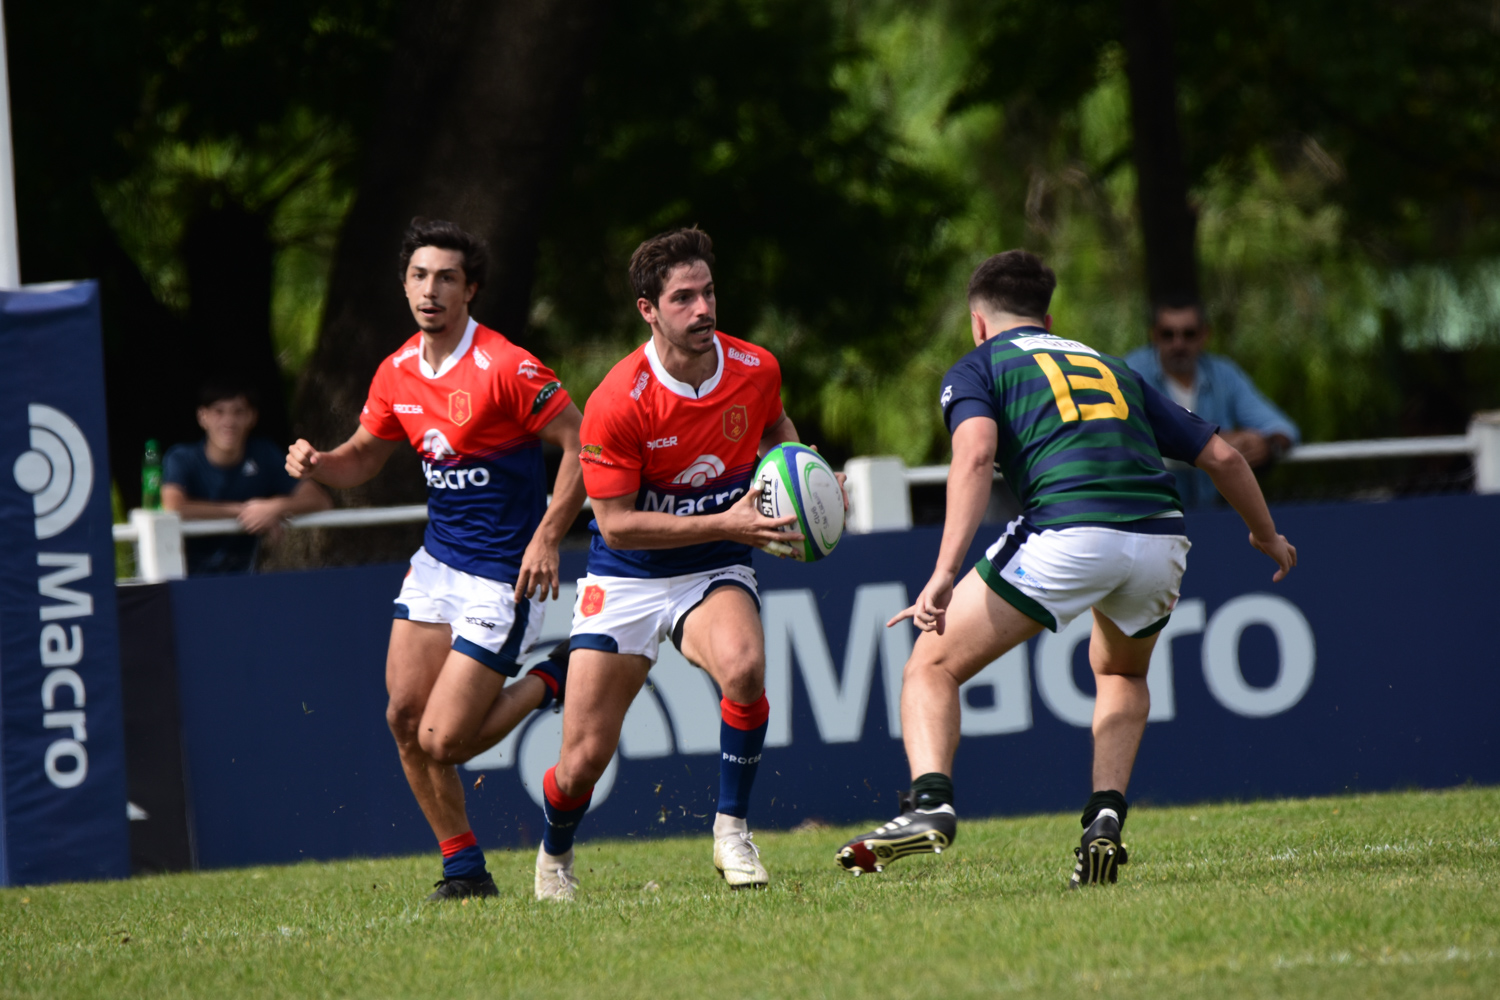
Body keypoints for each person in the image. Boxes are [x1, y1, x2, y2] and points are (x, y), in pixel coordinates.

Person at [836, 251, 1296, 887]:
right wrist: (1265, 534)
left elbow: (974, 458)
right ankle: (1104, 819)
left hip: (1072, 531)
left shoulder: (980, 364)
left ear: (977, 322)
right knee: (1120, 673)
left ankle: (929, 806)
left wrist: (943, 571)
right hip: (1161, 538)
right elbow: (1222, 457)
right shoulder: (1111, 364)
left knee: (931, 664)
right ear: (1047, 318)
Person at [285, 218, 586, 901]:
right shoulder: (396, 372)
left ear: (470, 289)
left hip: (505, 577)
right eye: (420, 276)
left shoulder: (507, 366)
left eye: (446, 277)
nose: (431, 289)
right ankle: (464, 870)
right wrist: (321, 462)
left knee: (444, 740)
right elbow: (363, 455)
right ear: (405, 285)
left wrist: (546, 535)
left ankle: (552, 680)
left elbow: (583, 443)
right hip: (439, 565)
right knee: (402, 717)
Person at [532, 227, 814, 901]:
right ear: (648, 310)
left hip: (714, 563)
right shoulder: (617, 401)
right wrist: (730, 519)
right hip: (628, 575)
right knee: (582, 762)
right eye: (683, 298)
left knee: (744, 667)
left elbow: (777, 428)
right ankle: (554, 854)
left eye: (708, 292)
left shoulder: (755, 368)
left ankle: (731, 830)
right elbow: (617, 524)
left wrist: (803, 490)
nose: (702, 310)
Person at [1125, 297, 1301, 507]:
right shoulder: (1130, 372)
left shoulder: (1224, 374)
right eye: (1168, 334)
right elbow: (1126, 434)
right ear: (1154, 335)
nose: (1178, 343)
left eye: (1188, 334)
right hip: (1152, 512)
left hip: (1215, 513)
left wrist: (1266, 445)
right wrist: (1217, 442)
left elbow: (1283, 428)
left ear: (1204, 335)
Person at [162, 384, 332, 575]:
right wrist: (246, 512)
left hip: (244, 578)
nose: (229, 421)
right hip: (184, 578)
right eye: (219, 411)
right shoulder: (180, 457)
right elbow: (172, 506)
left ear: (252, 417)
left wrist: (275, 507)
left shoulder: (264, 454)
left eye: (238, 412)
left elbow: (319, 500)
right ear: (203, 417)